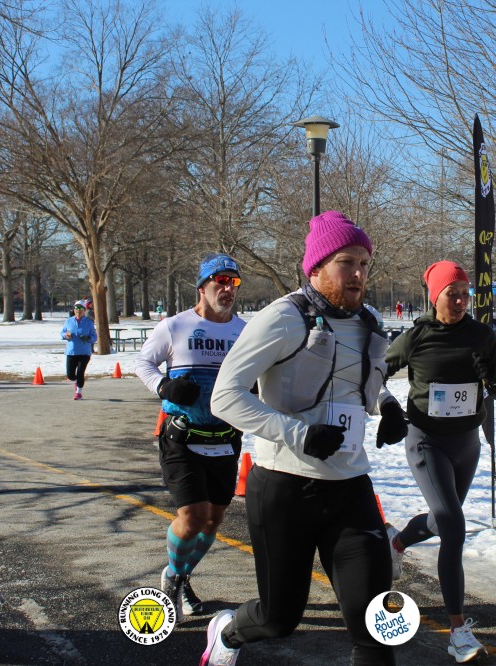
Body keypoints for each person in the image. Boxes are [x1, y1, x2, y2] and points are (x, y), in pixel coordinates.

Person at [202, 210, 408, 666]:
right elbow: (225, 397)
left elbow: (363, 381)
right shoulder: (283, 318)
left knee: (376, 628)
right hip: (285, 488)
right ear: (315, 267)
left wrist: (388, 406)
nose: (358, 275)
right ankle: (227, 632)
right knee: (278, 618)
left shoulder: (367, 320)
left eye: (364, 264)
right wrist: (298, 434)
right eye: (346, 263)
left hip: (350, 487)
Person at [383, 260, 496, 663]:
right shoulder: (417, 336)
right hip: (427, 441)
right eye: (451, 294)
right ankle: (458, 631)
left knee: (444, 519)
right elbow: (376, 371)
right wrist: (386, 407)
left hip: (466, 442)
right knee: (454, 526)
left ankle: (396, 542)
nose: (460, 301)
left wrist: (494, 380)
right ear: (434, 296)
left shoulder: (482, 335)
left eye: (464, 293)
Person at [135, 254, 247, 620]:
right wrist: (164, 386)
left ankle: (180, 577)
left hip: (225, 438)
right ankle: (173, 575)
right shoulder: (174, 326)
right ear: (202, 286)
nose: (228, 289)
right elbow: (143, 363)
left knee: (213, 520)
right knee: (193, 517)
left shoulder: (245, 332)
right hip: (182, 437)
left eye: (234, 282)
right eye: (221, 281)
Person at [61, 301, 97, 400]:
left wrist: (88, 338)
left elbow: (94, 336)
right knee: (70, 375)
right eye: (76, 309)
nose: (78, 311)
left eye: (80, 309)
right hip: (71, 351)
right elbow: (62, 333)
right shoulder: (69, 321)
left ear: (84, 310)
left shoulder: (89, 322)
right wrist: (66, 335)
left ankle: (79, 392)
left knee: (80, 373)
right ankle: (76, 381)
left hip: (84, 353)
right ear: (74, 310)